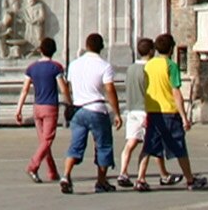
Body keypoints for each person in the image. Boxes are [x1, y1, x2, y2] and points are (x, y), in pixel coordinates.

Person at [142, 33, 205, 189]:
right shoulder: (170, 66)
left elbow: (146, 89)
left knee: (149, 147)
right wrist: (184, 117)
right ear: (171, 49)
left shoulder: (148, 65)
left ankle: (140, 178)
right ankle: (190, 180)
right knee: (179, 146)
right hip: (169, 111)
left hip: (152, 110)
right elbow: (176, 92)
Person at [61, 32, 120, 194]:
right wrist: (117, 113)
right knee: (103, 145)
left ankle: (66, 175)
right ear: (101, 47)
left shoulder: (74, 64)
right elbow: (110, 90)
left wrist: (70, 102)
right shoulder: (104, 66)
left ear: (86, 46)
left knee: (76, 145)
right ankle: (101, 181)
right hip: (96, 109)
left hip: (79, 110)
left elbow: (68, 85)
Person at [14, 35, 66, 184]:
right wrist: (69, 101)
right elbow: (62, 88)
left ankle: (52, 171)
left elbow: (24, 90)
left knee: (44, 141)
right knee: (47, 140)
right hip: (50, 107)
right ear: (53, 51)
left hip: (37, 107)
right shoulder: (56, 67)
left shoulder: (31, 68)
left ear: (41, 50)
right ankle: (33, 166)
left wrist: (19, 109)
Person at [115, 36, 155, 189]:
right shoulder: (149, 69)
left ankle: (123, 172)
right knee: (147, 146)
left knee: (130, 143)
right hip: (145, 110)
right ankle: (141, 178)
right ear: (151, 51)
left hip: (131, 110)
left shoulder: (130, 68)